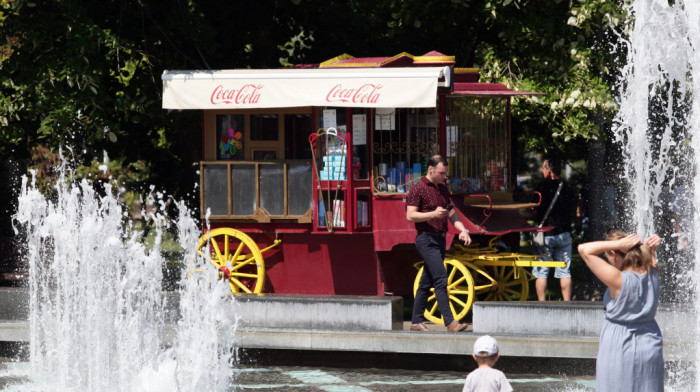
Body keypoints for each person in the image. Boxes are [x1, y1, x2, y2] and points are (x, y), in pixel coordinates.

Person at [578, 231, 664, 392]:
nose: (608, 262)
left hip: (621, 345)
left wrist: (617, 244)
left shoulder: (619, 279)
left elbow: (584, 249)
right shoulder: (652, 273)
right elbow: (651, 259)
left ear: (614, 254)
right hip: (651, 344)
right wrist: (652, 250)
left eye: (608, 257)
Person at [406, 155, 471, 332]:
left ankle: (415, 323)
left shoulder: (442, 188)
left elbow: (451, 212)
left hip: (440, 239)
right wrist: (433, 214)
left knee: (426, 282)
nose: (445, 177)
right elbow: (410, 215)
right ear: (431, 170)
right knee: (441, 278)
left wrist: (462, 230)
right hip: (426, 239)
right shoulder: (417, 189)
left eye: (446, 174)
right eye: (442, 173)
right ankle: (450, 322)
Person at [532, 158, 576, 301]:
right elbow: (574, 210)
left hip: (545, 235)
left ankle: (542, 304)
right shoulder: (568, 188)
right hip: (564, 234)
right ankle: (567, 303)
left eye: (544, 168)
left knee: (541, 271)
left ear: (549, 170)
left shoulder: (540, 188)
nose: (542, 171)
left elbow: (533, 209)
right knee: (564, 271)